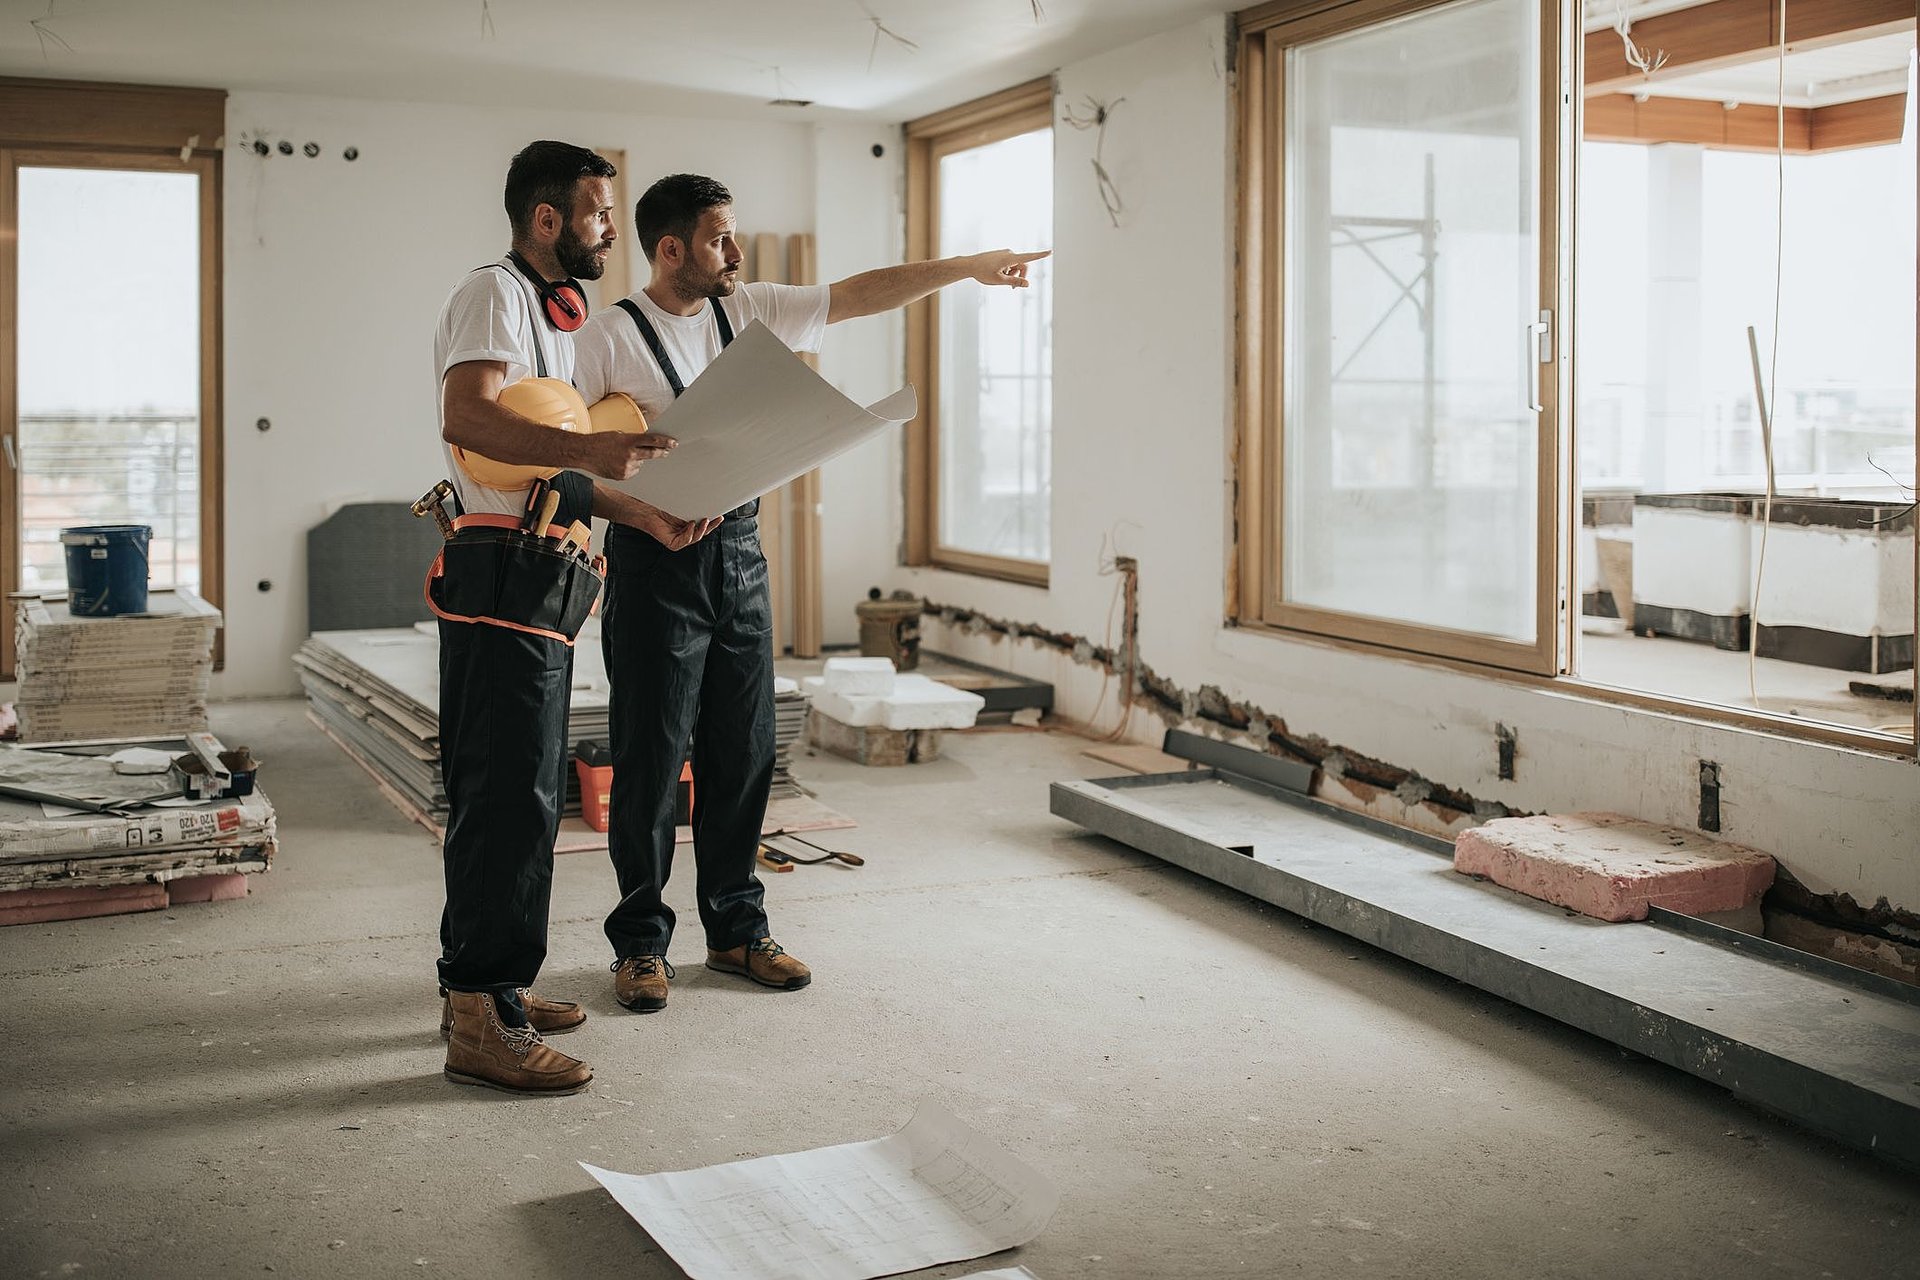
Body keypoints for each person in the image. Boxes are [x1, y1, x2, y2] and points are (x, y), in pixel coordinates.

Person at [571, 171, 1047, 1013]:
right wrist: (637, 517)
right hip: (654, 561)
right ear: (671, 247)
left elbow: (858, 295)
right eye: (720, 237)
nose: (736, 251)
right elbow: (570, 456)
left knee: (745, 749)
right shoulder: (605, 337)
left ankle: (736, 931)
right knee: (650, 759)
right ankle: (641, 946)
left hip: (741, 554)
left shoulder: (744, 309)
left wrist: (968, 265)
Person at [431, 141, 678, 1093]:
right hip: (502, 564)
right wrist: (604, 461)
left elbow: (555, 463)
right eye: (598, 212)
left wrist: (638, 507)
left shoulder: (549, 319)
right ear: (546, 219)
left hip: (542, 561)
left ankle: (489, 991)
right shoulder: (494, 291)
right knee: (506, 798)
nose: (611, 228)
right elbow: (475, 422)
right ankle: (480, 1013)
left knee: (522, 794)